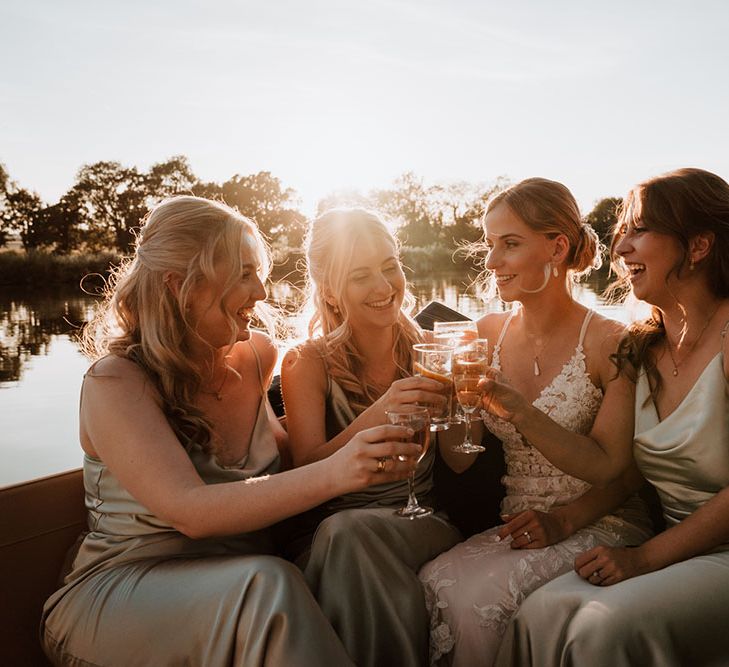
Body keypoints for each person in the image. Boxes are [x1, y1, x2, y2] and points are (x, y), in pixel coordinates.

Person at [40, 196, 424, 667]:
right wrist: (341, 470)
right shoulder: (115, 381)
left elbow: (290, 465)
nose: (261, 292)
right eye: (243, 274)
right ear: (181, 286)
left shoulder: (257, 356)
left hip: (245, 576)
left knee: (333, 565)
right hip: (125, 590)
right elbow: (192, 512)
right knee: (271, 583)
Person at [496, 168, 729, 667]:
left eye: (639, 230)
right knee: (539, 614)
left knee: (603, 631)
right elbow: (628, 468)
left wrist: (644, 558)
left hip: (706, 551)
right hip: (677, 547)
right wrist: (564, 520)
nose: (620, 247)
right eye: (622, 230)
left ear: (700, 244)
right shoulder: (643, 344)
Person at [418, 178, 653, 666]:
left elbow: (611, 467)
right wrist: (451, 407)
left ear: (558, 247)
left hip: (600, 518)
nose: (490, 262)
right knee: (435, 577)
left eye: (509, 244)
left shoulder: (611, 341)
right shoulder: (484, 334)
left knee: (477, 602)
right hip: (516, 522)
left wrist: (520, 412)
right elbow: (461, 463)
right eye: (489, 244)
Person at [281, 207, 463, 667]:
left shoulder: (432, 350)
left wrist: (464, 408)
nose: (384, 288)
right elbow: (305, 472)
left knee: (348, 535)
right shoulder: (306, 362)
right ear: (331, 291)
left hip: (419, 520)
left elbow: (460, 462)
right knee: (344, 532)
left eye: (389, 267)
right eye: (361, 276)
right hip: (333, 528)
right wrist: (380, 412)